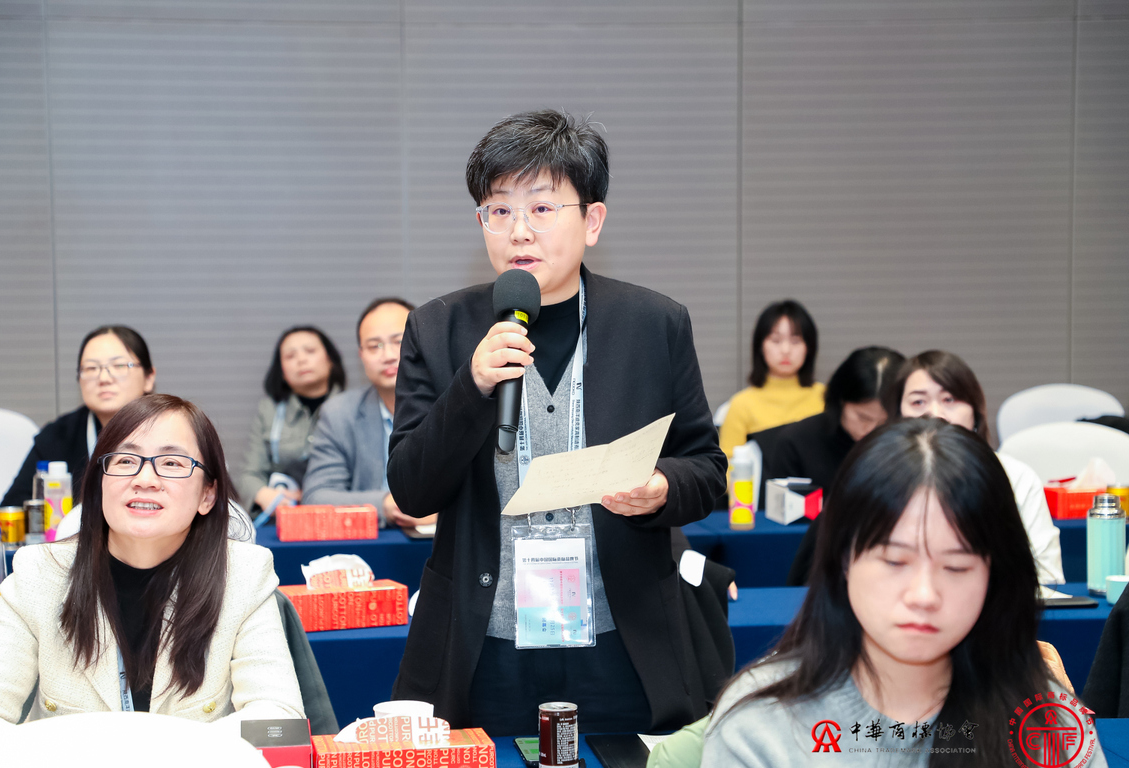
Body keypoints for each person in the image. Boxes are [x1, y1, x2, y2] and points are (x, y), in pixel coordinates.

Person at [386, 110, 727, 736]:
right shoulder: (437, 329)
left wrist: (660, 489)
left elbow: (706, 470)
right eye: (499, 210)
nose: (519, 230)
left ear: (591, 221)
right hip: (483, 642)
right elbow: (411, 489)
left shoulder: (654, 324)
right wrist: (472, 387)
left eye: (542, 208)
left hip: (621, 637)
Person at [700, 418, 1115, 768]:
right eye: (895, 561)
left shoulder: (1048, 725)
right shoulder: (762, 724)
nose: (923, 594)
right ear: (843, 559)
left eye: (956, 567)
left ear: (996, 574)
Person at [0, 394, 303, 727]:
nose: (145, 480)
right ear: (100, 483)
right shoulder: (38, 575)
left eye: (171, 463)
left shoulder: (243, 575)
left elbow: (278, 716)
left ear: (207, 495)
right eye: (125, 461)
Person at [887, 350, 1065, 585]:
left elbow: (1048, 578)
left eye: (949, 399)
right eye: (918, 402)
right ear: (898, 415)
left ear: (975, 412)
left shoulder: (1015, 477)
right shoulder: (880, 478)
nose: (935, 414)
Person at [768, 345, 905, 586]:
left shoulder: (907, 448)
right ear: (840, 401)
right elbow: (781, 533)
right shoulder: (797, 442)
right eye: (863, 417)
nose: (871, 430)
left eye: (884, 422)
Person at [303, 298, 435, 529]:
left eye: (399, 341)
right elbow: (316, 497)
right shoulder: (339, 413)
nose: (389, 355)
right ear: (361, 355)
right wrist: (387, 505)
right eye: (375, 346)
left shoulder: (457, 403)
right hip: (374, 543)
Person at [0, 325, 155, 508]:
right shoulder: (58, 436)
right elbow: (12, 507)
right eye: (91, 368)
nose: (104, 378)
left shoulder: (172, 430)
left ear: (149, 378)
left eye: (119, 365)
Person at [237, 325, 346, 514]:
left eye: (310, 351)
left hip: (340, 514)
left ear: (330, 360)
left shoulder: (353, 408)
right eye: (290, 356)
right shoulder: (269, 410)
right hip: (281, 516)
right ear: (282, 371)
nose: (301, 360)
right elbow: (249, 475)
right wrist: (266, 495)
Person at [718, 300, 824, 459]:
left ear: (809, 347)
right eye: (776, 340)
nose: (786, 350)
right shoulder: (741, 405)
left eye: (795, 341)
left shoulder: (826, 398)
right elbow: (726, 467)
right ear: (760, 346)